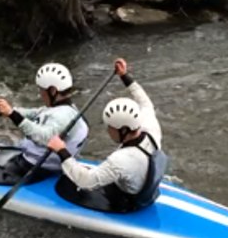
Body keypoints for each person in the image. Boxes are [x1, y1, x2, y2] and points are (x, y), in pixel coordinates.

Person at [47, 58, 168, 213]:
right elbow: (145, 102)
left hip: (125, 200)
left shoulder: (121, 160)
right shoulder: (150, 126)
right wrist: (124, 76)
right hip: (143, 184)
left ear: (123, 130)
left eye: (110, 128)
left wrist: (62, 151)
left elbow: (86, 181)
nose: (108, 131)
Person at [0, 62, 89, 178]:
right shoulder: (65, 108)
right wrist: (3, 110)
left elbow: (43, 138)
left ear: (53, 91)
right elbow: (34, 113)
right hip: (42, 161)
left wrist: (12, 114)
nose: (40, 94)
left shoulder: (62, 115)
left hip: (39, 167)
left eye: (42, 90)